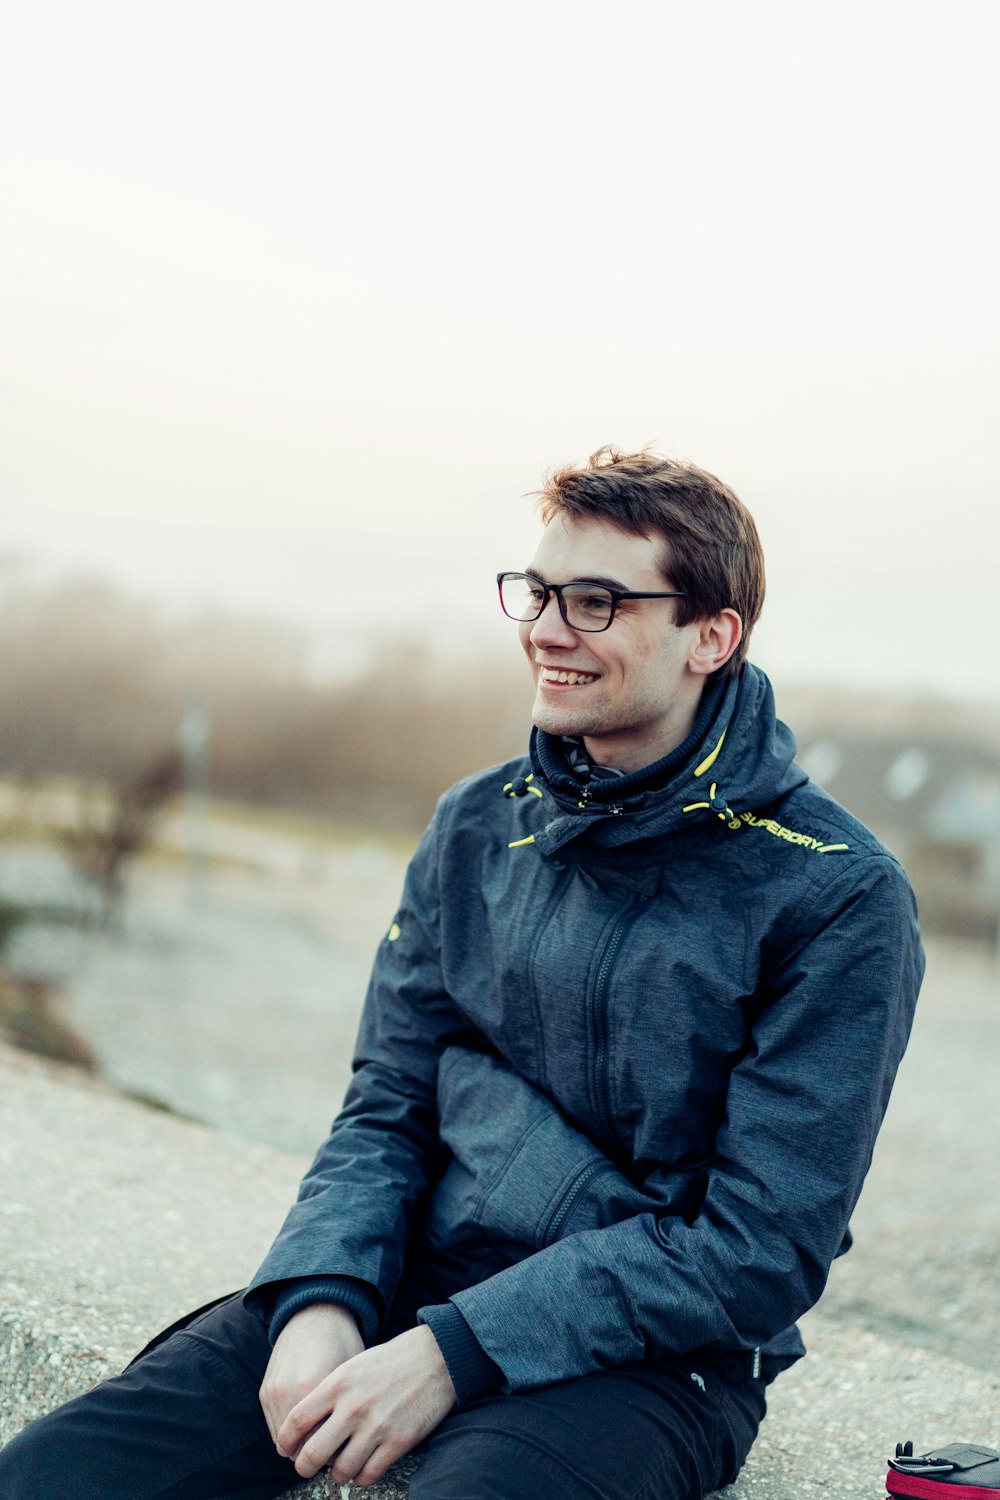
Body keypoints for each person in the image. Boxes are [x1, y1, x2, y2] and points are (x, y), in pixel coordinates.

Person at [0, 445, 924, 1500]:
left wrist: (453, 1354)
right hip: (412, 1279)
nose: (543, 631)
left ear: (710, 636)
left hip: (657, 1361)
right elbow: (386, 1100)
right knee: (51, 1476)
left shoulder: (838, 894)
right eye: (536, 594)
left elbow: (758, 1249)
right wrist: (320, 1297)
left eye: (595, 601)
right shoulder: (478, 824)